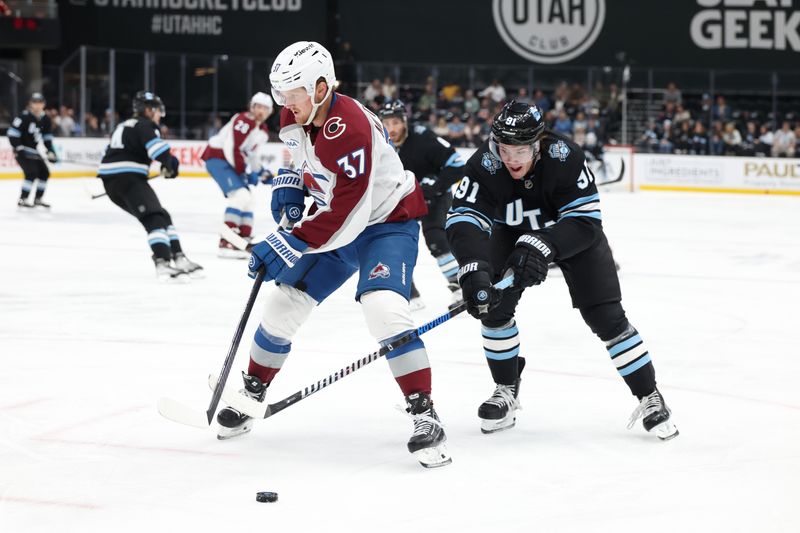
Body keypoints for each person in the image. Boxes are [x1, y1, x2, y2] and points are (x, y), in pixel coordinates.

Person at [216, 41, 451, 468]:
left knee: (384, 308)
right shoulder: (295, 112)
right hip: (337, 222)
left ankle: (424, 412)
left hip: (384, 223)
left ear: (321, 87)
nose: (284, 104)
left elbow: (350, 213)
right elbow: (296, 153)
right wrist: (289, 184)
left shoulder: (352, 128)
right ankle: (253, 390)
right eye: (281, 94)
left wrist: (287, 243)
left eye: (293, 93)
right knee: (282, 303)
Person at [445, 100, 678, 440]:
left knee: (606, 317)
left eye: (521, 150)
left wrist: (540, 245)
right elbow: (464, 218)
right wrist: (473, 267)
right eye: (504, 148)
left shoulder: (564, 156)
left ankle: (649, 395)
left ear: (537, 144)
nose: (511, 159)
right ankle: (506, 390)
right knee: (493, 312)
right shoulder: (484, 163)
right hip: (509, 235)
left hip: (571, 237)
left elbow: (585, 221)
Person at [98, 91, 203, 282]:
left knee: (161, 215)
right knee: (153, 218)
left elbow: (113, 153)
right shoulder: (145, 125)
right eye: (157, 111)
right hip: (128, 179)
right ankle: (163, 264)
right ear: (148, 110)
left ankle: (178, 257)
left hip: (114, 182)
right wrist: (170, 164)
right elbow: (158, 149)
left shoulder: (123, 125)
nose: (158, 116)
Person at [379, 99, 465, 309]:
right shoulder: (381, 144)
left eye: (396, 123)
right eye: (387, 123)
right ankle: (408, 293)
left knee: (436, 237)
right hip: (404, 199)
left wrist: (434, 188)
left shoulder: (423, 138)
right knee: (395, 243)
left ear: (405, 122)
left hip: (434, 197)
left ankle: (459, 287)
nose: (392, 129)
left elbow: (457, 165)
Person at [202, 93, 273, 258]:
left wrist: (260, 171)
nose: (260, 111)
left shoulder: (262, 131)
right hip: (217, 158)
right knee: (240, 196)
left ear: (269, 111)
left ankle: (242, 238)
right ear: (252, 107)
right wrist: (247, 172)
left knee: (249, 199)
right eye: (258, 106)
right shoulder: (244, 120)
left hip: (231, 162)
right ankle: (227, 241)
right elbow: (231, 148)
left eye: (265, 108)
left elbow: (251, 155)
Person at [7, 92, 57, 208]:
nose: (37, 105)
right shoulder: (23, 117)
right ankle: (23, 199)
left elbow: (47, 137)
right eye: (35, 102)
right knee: (31, 173)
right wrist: (19, 148)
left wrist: (50, 151)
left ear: (43, 104)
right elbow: (12, 134)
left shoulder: (45, 119)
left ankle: (38, 199)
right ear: (30, 104)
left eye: (40, 102)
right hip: (22, 151)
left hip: (34, 151)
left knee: (44, 173)